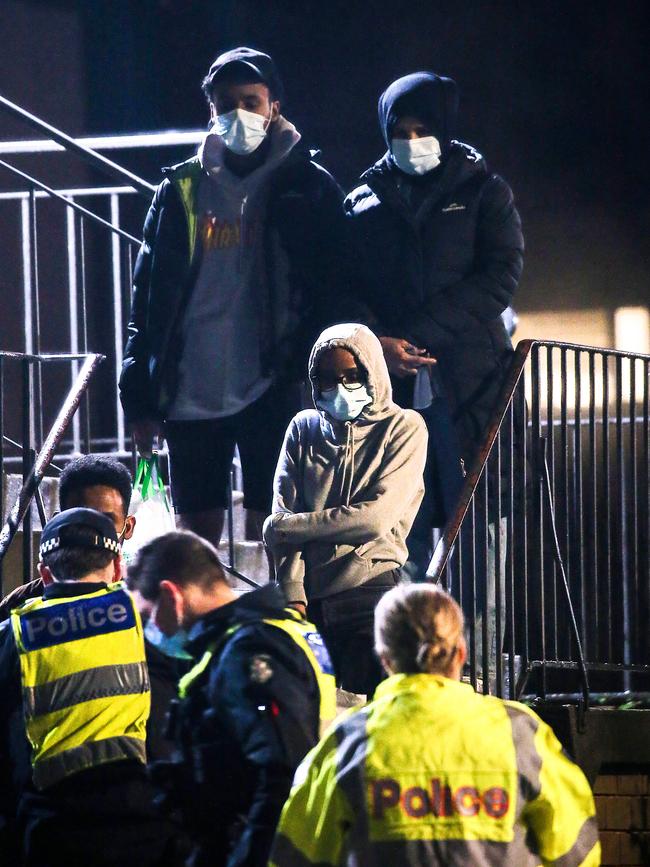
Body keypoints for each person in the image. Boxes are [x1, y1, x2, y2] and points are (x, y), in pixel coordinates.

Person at [120, 46, 349, 553]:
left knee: (274, 536)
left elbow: (335, 287)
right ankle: (204, 630)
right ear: (210, 110)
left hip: (273, 385)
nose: (239, 114)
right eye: (226, 103)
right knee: (194, 543)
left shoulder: (307, 186)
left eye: (251, 100)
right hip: (190, 390)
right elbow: (148, 296)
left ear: (275, 107)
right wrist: (139, 391)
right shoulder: (181, 188)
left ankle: (268, 631)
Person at [270, 584, 600, 867]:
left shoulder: (348, 742)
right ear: (460, 653)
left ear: (385, 660)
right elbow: (577, 847)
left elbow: (296, 854)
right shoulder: (519, 732)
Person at [345, 72, 524, 580]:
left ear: (443, 129)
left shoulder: (484, 191)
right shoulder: (363, 202)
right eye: (399, 132)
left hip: (470, 383)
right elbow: (341, 285)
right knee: (402, 524)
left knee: (476, 530)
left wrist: (415, 334)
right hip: (392, 389)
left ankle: (477, 655)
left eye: (422, 129)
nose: (410, 142)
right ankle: (414, 650)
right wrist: (377, 342)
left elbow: (499, 277)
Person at [127, 530, 336, 867]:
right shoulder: (267, 634)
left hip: (252, 847)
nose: (149, 630)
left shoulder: (250, 651)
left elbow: (281, 772)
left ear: (170, 596)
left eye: (147, 615)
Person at [0, 508, 178, 866]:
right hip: (148, 827)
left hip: (50, 833)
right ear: (116, 567)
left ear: (44, 574)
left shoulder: (13, 636)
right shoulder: (149, 625)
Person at [263, 323, 427, 697]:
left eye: (352, 376)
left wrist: (290, 527)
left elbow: (374, 520)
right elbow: (283, 509)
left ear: (372, 371)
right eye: (327, 379)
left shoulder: (403, 427)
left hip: (369, 590)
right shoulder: (303, 429)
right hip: (308, 602)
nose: (339, 388)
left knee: (372, 715)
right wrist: (292, 594)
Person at [0, 453, 136, 619]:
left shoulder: (143, 604)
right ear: (59, 521)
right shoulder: (17, 606)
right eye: (82, 520)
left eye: (106, 521)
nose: (93, 534)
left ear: (128, 527)